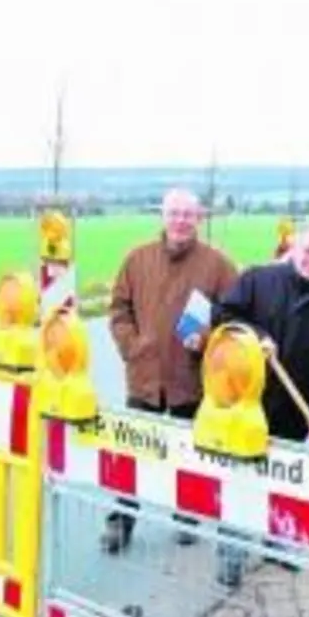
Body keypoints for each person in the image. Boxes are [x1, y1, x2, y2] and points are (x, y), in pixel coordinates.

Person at [104, 187, 239, 553]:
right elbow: (118, 310)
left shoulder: (218, 265)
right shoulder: (137, 259)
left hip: (190, 381)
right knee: (130, 456)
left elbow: (236, 319)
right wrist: (133, 347)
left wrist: (209, 338)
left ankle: (187, 515)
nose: (180, 220)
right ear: (162, 216)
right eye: (174, 213)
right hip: (144, 380)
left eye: (188, 214)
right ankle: (119, 522)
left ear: (199, 218)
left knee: (190, 455)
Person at [212, 226, 309, 443]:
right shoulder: (257, 279)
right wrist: (257, 335)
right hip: (245, 403)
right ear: (294, 249)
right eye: (308, 251)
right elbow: (223, 314)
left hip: (292, 416)